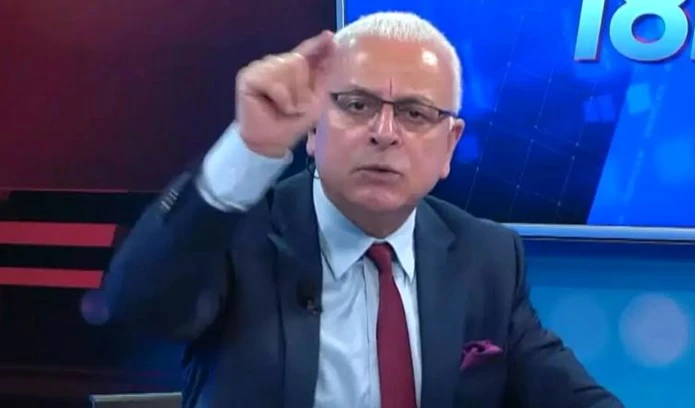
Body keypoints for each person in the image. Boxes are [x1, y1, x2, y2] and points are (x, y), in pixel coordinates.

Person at [101, 11, 623, 408]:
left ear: (449, 145)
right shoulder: (237, 236)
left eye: (415, 113)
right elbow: (137, 306)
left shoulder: (487, 255)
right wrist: (248, 149)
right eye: (357, 105)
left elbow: (565, 392)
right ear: (313, 127)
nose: (384, 133)